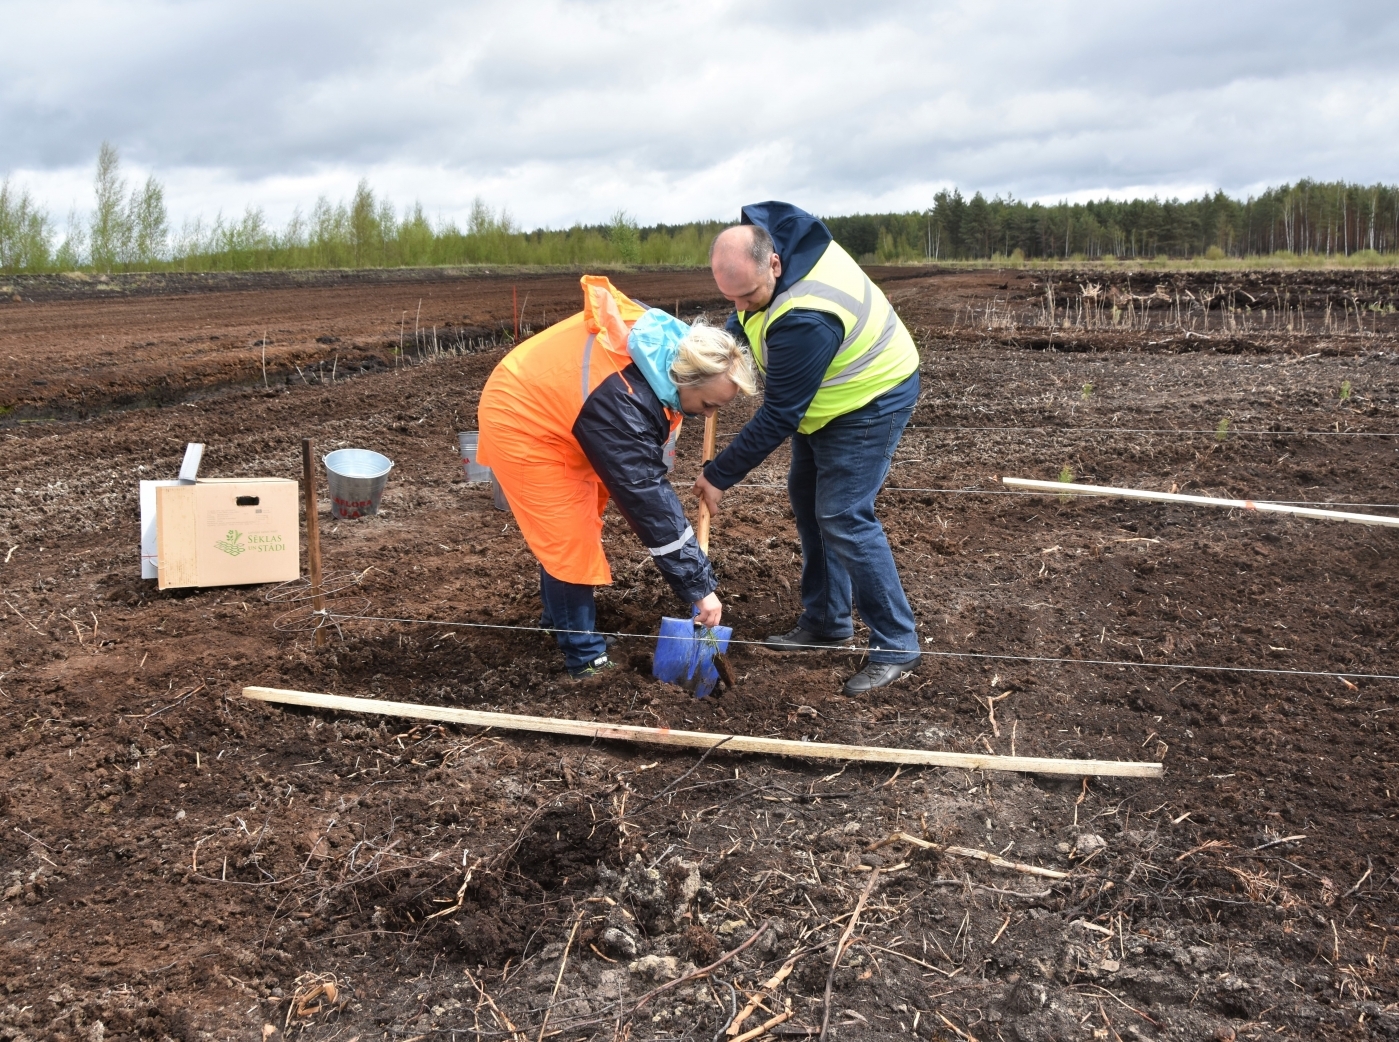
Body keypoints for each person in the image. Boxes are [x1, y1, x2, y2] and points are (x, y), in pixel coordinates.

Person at [694, 202, 922, 695]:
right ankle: (826, 621)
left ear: (773, 264)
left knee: (842, 514)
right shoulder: (769, 251)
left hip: (869, 396)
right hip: (827, 396)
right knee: (809, 502)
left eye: (749, 295)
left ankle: (897, 643)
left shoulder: (806, 316)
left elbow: (779, 414)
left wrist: (720, 475)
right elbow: (743, 325)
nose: (743, 308)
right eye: (731, 297)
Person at [478, 275, 756, 677]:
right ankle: (584, 656)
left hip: (567, 407)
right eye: (709, 404)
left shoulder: (669, 346)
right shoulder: (623, 402)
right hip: (524, 419)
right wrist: (699, 588)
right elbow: (646, 497)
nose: (709, 415)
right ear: (687, 378)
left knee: (579, 523)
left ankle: (561, 622)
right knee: (569, 538)